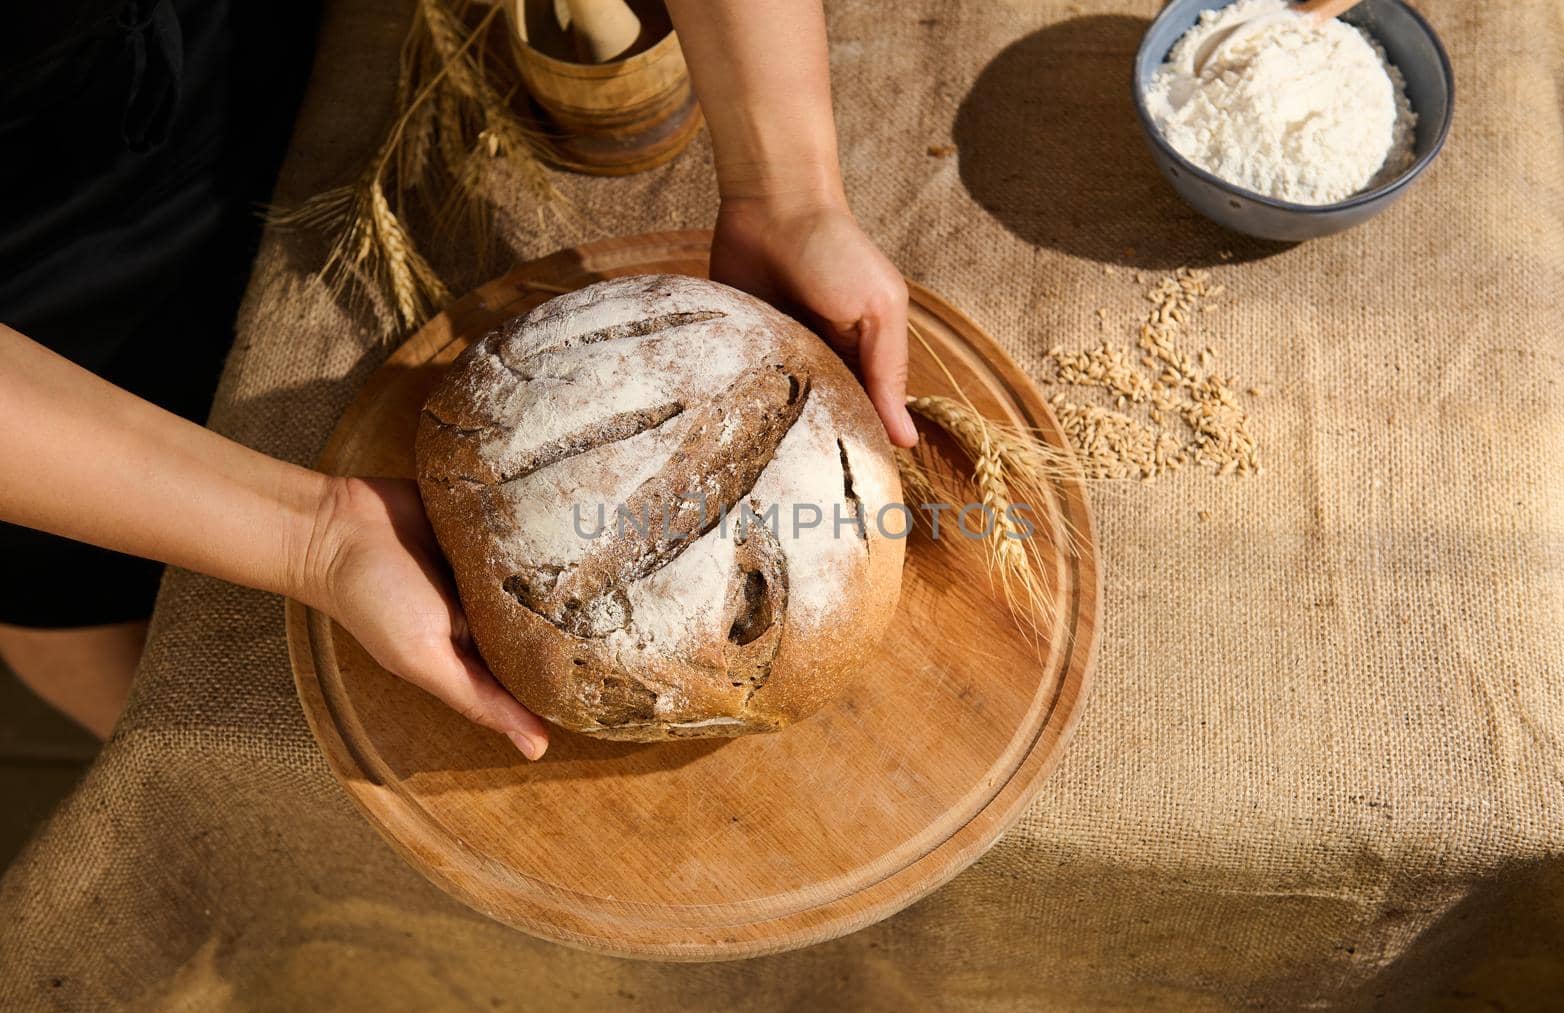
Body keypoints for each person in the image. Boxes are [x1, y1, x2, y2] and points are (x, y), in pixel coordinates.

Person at [0, 0, 915, 761]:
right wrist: (314, 539)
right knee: (83, 599)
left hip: (230, 52)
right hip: (29, 269)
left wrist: (784, 188)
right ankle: (154, 775)